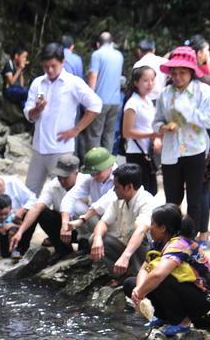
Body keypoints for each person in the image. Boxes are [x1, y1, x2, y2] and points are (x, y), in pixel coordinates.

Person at [23, 42, 101, 196]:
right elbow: (29, 115)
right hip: (39, 147)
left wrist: (76, 130)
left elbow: (96, 105)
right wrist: (37, 109)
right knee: (29, 194)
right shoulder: (38, 83)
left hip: (62, 149)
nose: (50, 70)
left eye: (53, 66)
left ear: (62, 63)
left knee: (63, 196)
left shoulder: (73, 83)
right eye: (46, 66)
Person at [124, 204, 210, 336]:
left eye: (153, 224)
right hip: (183, 290)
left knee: (161, 279)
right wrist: (138, 289)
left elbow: (158, 275)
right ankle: (163, 317)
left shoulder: (179, 244)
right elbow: (145, 268)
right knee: (131, 283)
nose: (150, 227)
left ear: (163, 228)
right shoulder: (159, 243)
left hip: (201, 298)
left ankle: (182, 322)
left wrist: (140, 293)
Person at [153, 46, 210, 235]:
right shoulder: (165, 93)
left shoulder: (203, 91)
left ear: (191, 72)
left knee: (194, 198)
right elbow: (156, 121)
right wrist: (163, 127)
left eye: (182, 73)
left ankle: (190, 239)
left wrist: (188, 112)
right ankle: (172, 235)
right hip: (171, 151)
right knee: (172, 199)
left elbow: (207, 119)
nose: (177, 77)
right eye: (174, 73)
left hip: (195, 150)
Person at [10, 154, 87, 256]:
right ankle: (62, 249)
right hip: (62, 229)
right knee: (41, 213)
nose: (62, 181)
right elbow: (37, 207)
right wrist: (20, 232)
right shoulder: (53, 186)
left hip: (85, 229)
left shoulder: (87, 182)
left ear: (76, 173)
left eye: (66, 177)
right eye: (60, 177)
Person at [90, 162, 154, 277]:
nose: (114, 190)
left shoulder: (146, 201)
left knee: (141, 236)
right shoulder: (117, 199)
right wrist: (98, 238)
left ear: (129, 187)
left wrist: (125, 256)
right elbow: (103, 222)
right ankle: (119, 275)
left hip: (145, 251)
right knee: (95, 238)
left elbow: (141, 230)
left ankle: (138, 275)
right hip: (125, 245)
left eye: (117, 187)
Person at [0, 158, 37, 254]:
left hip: (17, 221)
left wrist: (22, 210)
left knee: (33, 211)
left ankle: (21, 246)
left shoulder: (13, 183)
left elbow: (33, 199)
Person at [59, 146, 117, 246]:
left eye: (97, 173)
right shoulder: (90, 177)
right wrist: (65, 224)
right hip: (96, 218)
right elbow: (70, 197)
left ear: (109, 166)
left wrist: (83, 219)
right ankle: (85, 241)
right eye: (92, 174)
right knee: (76, 205)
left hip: (116, 221)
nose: (95, 176)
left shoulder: (119, 177)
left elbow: (104, 202)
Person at [122, 67, 160, 195]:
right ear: (136, 83)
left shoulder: (148, 100)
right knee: (141, 192)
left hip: (148, 152)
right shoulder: (132, 104)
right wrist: (152, 135)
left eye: (152, 80)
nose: (150, 84)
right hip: (136, 153)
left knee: (151, 191)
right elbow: (127, 132)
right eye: (145, 80)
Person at [84, 31, 124, 152]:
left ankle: (93, 165)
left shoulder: (97, 54)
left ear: (97, 44)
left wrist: (88, 100)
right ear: (112, 43)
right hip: (116, 101)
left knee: (95, 134)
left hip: (100, 101)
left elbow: (93, 77)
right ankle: (108, 166)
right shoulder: (119, 55)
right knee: (109, 134)